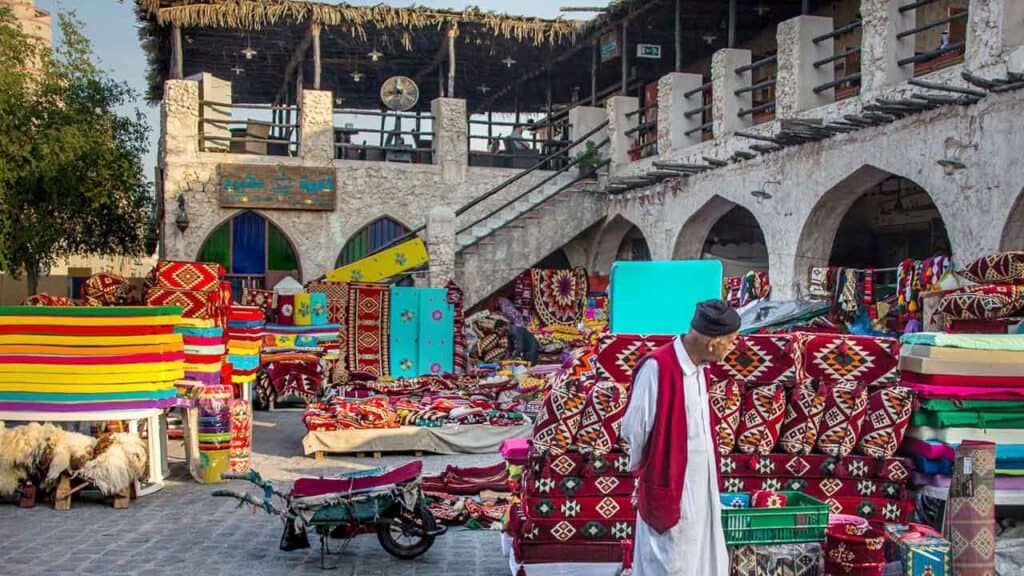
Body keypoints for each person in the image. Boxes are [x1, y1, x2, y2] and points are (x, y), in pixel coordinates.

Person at [620, 299, 741, 576]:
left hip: (700, 491)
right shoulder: (657, 368)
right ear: (713, 342)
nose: (731, 348)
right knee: (670, 563)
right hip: (670, 489)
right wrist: (650, 476)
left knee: (701, 560)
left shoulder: (700, 371)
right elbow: (634, 429)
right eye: (731, 341)